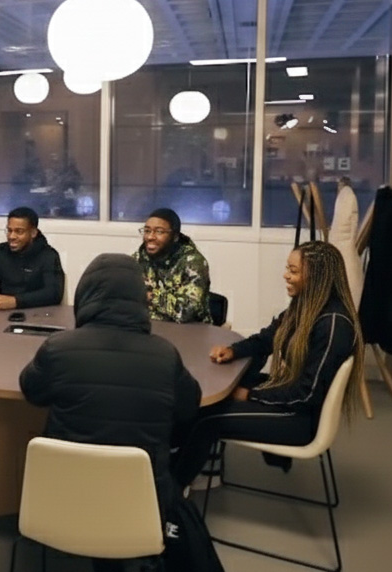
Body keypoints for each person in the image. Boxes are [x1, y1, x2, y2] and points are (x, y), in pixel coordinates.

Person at [19, 254, 203, 572]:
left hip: (61, 500)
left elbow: (32, 391)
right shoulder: (164, 354)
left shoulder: (58, 347)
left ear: (84, 294)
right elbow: (189, 408)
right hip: (139, 507)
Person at [173, 240, 366, 488]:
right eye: (288, 268)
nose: (286, 275)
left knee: (205, 419)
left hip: (300, 418)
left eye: (294, 271)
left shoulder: (333, 325)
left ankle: (170, 495)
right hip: (292, 398)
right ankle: (174, 469)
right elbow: (267, 339)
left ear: (317, 277)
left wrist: (250, 394)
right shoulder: (307, 306)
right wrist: (233, 351)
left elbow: (307, 394)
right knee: (211, 401)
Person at [0, 206, 64, 310]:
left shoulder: (49, 255)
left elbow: (54, 294)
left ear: (33, 233)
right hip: (2, 316)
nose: (12, 236)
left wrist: (16, 301)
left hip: (38, 315)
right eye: (9, 230)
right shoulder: (0, 252)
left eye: (19, 231)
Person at [132, 207, 212, 324]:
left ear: (175, 237)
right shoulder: (138, 259)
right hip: (149, 328)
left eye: (159, 232)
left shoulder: (193, 262)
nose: (150, 237)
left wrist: (150, 296)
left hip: (190, 331)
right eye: (147, 231)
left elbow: (185, 312)